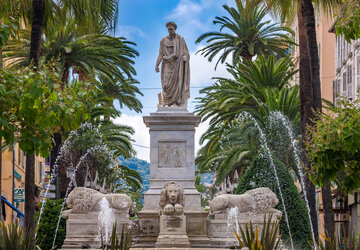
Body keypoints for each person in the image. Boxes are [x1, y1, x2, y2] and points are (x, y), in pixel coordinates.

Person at [155, 21, 190, 107]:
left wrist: (185, 57)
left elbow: (186, 52)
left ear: (174, 29)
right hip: (167, 65)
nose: (170, 31)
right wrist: (156, 65)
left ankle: (175, 102)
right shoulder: (163, 41)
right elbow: (160, 54)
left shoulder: (180, 39)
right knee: (166, 85)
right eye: (168, 29)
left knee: (177, 84)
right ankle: (167, 102)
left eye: (171, 29)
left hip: (178, 66)